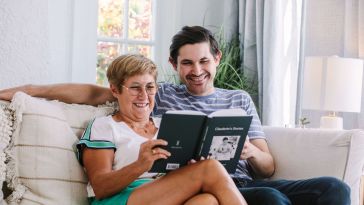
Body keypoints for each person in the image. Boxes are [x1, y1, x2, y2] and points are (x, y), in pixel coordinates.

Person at [0, 26, 351, 205]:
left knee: (334, 187)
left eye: (203, 61)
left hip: (228, 183)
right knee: (264, 197)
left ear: (216, 58)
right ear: (175, 66)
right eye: (187, 63)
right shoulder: (139, 106)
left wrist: (250, 151)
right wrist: (32, 89)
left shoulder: (230, 101)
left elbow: (269, 166)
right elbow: (92, 95)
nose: (196, 71)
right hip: (164, 187)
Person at [77, 53, 246, 205]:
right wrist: (140, 165)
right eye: (135, 87)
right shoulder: (104, 126)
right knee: (210, 168)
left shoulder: (168, 124)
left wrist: (190, 167)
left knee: (207, 201)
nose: (144, 95)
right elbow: (100, 187)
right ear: (115, 89)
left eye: (150, 87)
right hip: (122, 198)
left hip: (167, 195)